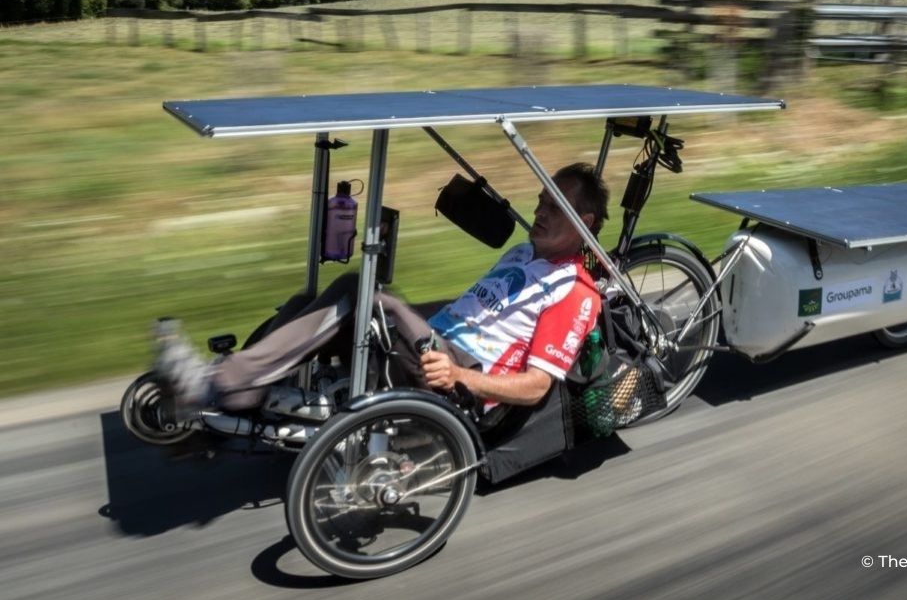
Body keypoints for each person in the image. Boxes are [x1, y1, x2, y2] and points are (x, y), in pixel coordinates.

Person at [153, 163, 609, 418]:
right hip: (436, 338)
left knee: (362, 288)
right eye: (542, 200)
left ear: (585, 224)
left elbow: (537, 386)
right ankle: (243, 393)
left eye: (555, 205)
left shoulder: (574, 291)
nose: (540, 211)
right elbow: (475, 308)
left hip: (456, 374)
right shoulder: (521, 253)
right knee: (308, 304)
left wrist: (461, 377)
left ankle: (217, 384)